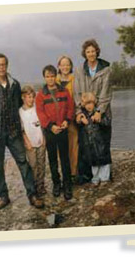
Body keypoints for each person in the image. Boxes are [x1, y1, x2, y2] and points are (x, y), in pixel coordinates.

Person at [0, 53, 43, 209]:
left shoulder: (15, 84)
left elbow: (21, 107)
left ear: (7, 66)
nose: (1, 67)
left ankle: (32, 194)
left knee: (23, 162)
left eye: (3, 64)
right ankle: (3, 196)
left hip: (13, 132)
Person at [74, 39, 113, 183]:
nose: (91, 54)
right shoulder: (79, 70)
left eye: (93, 51)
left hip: (102, 114)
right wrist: (79, 113)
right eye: (88, 51)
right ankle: (91, 176)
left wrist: (99, 112)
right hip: (86, 116)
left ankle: (106, 175)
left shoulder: (106, 69)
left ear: (97, 51)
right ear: (85, 53)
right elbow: (77, 93)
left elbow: (106, 93)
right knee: (89, 146)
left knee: (104, 144)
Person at [35, 65, 75, 200]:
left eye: (52, 76)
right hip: (50, 131)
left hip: (63, 129)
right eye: (47, 76)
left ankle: (67, 185)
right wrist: (50, 126)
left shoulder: (64, 91)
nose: (50, 79)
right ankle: (56, 184)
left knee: (65, 159)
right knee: (52, 160)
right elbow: (40, 113)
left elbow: (70, 107)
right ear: (44, 78)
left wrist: (67, 121)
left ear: (55, 76)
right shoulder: (40, 95)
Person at [76, 92, 112, 185]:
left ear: (94, 103)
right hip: (90, 144)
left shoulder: (99, 113)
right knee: (94, 163)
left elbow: (107, 123)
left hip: (101, 142)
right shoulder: (83, 115)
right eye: (86, 104)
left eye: (90, 103)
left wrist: (99, 120)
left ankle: (104, 179)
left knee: (104, 161)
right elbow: (77, 124)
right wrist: (80, 120)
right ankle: (95, 178)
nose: (89, 106)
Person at [19, 85, 46, 197]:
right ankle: (34, 187)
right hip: (30, 144)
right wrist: (27, 142)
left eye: (32, 97)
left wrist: (44, 139)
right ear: (23, 98)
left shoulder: (37, 109)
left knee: (42, 164)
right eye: (28, 97)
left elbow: (42, 125)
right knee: (33, 165)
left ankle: (41, 186)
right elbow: (22, 130)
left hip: (40, 141)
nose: (31, 99)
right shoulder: (20, 112)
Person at [56, 55, 79, 183]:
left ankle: (73, 173)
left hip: (72, 117)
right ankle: (64, 171)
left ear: (70, 66)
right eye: (62, 64)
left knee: (73, 145)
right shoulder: (54, 80)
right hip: (58, 119)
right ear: (58, 66)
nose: (65, 67)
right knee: (61, 147)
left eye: (67, 64)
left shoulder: (75, 79)